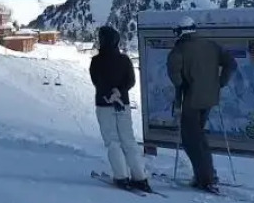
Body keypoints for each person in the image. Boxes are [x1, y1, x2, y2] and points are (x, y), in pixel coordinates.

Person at [166, 17, 237, 193]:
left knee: (191, 140)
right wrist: (221, 82)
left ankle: (205, 178)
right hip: (211, 98)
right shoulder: (211, 45)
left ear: (181, 31)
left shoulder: (179, 50)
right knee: (199, 136)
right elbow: (231, 63)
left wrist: (182, 85)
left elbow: (174, 76)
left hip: (191, 99)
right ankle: (206, 173)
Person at [89, 25, 151, 191]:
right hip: (123, 103)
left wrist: (110, 93)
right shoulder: (125, 60)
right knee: (128, 140)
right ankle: (140, 177)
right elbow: (131, 81)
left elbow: (97, 82)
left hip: (104, 103)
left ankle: (121, 176)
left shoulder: (96, 61)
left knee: (113, 141)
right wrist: (119, 91)